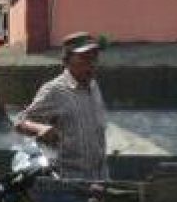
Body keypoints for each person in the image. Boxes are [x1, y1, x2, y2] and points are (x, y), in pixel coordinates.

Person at [14, 31, 109, 180]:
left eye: (94, 58)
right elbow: (20, 122)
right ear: (67, 61)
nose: (91, 64)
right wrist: (40, 128)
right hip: (70, 180)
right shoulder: (54, 90)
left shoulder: (93, 85)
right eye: (84, 58)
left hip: (100, 176)